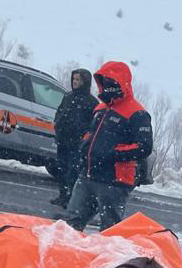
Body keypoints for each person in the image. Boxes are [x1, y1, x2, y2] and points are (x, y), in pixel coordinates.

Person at [64, 61, 152, 231]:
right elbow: (90, 132)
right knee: (70, 225)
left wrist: (112, 153)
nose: (106, 85)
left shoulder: (137, 113)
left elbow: (144, 146)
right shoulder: (100, 108)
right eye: (103, 81)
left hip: (114, 181)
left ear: (121, 83)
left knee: (109, 230)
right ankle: (67, 255)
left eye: (111, 82)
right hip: (88, 175)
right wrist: (85, 144)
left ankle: (107, 258)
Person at [50, 69, 96, 207]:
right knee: (61, 168)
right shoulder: (68, 96)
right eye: (74, 79)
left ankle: (71, 199)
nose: (75, 82)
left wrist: (84, 137)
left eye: (78, 80)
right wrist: (57, 124)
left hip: (78, 143)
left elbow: (93, 124)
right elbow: (60, 112)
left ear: (85, 82)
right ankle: (63, 195)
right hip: (63, 139)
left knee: (73, 172)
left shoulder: (92, 102)